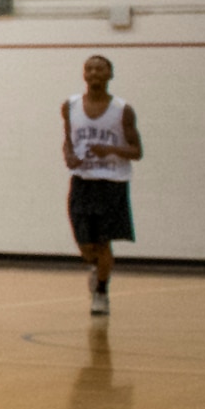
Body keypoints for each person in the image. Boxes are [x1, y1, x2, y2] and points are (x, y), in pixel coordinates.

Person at [63, 54, 141, 316]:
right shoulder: (70, 106)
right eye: (90, 69)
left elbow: (136, 150)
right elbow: (68, 140)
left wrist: (109, 149)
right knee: (85, 244)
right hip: (82, 181)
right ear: (84, 74)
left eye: (100, 69)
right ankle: (95, 267)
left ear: (110, 74)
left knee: (104, 242)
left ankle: (101, 293)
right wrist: (69, 155)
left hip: (111, 182)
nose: (95, 73)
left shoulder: (122, 110)